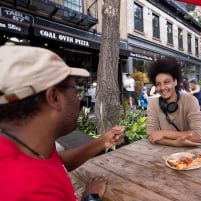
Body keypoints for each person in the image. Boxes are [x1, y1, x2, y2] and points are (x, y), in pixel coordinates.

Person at [0, 43, 125, 201]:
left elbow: (55, 162)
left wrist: (102, 142)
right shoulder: (31, 191)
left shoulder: (26, 145)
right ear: (55, 97)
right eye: (76, 89)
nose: (77, 98)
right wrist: (91, 198)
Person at [146, 58, 201, 147]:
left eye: (166, 82)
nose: (162, 88)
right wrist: (175, 143)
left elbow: (198, 136)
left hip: (193, 155)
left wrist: (164, 133)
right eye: (158, 84)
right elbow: (151, 135)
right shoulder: (153, 104)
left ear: (175, 82)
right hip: (166, 154)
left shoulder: (190, 101)